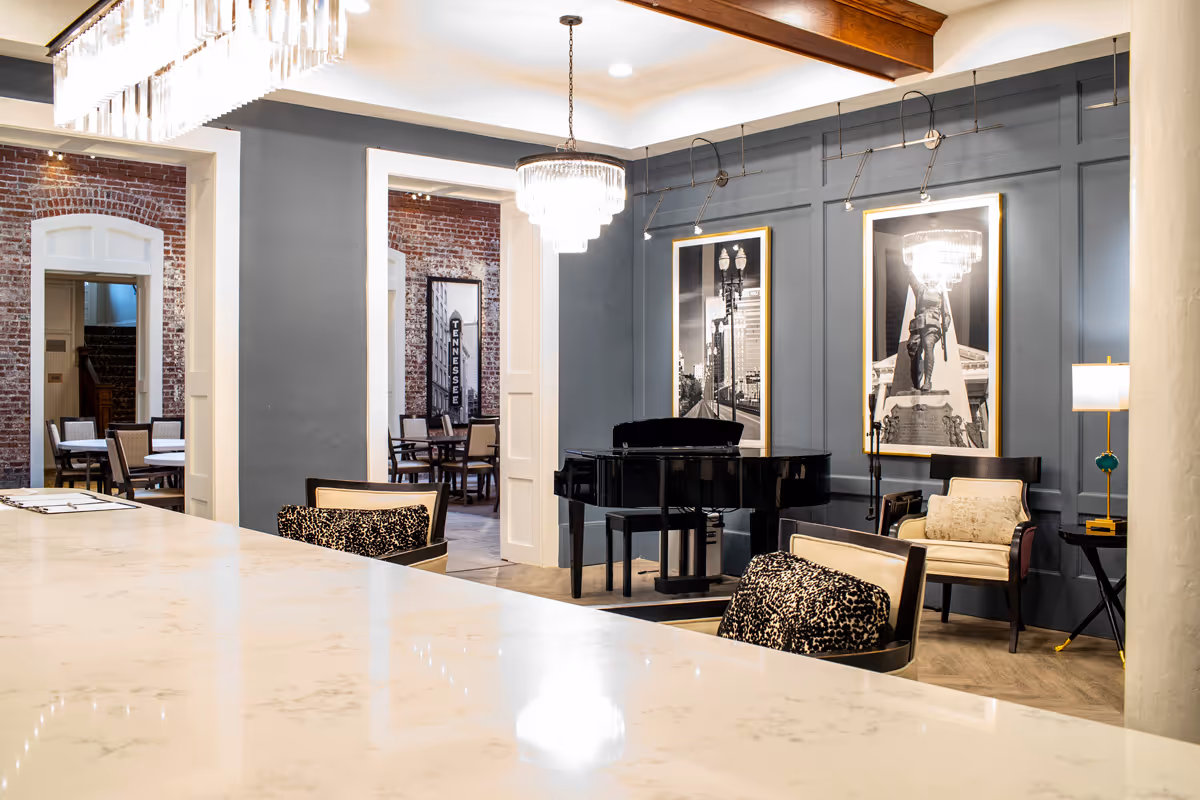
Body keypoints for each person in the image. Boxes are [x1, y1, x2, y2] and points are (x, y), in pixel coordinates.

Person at [905, 276, 950, 393]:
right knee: (913, 352)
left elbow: (946, 314)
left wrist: (946, 323)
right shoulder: (920, 289)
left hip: (932, 326)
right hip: (918, 324)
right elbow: (911, 278)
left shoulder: (941, 294)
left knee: (928, 344)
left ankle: (927, 381)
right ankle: (915, 384)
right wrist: (909, 264)